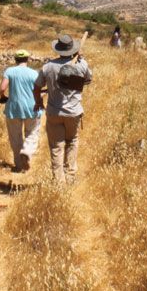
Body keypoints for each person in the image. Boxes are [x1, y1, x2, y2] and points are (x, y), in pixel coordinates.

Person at [34, 34, 93, 184]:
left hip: (54, 112)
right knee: (72, 141)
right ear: (73, 49)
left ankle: (58, 181)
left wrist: (38, 102)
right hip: (73, 112)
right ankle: (70, 177)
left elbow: (37, 87)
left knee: (56, 147)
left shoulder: (48, 67)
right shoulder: (81, 64)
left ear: (58, 49)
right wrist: (80, 60)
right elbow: (88, 80)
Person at [0, 49, 42, 173]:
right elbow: (39, 91)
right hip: (32, 108)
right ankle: (26, 152)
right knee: (32, 133)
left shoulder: (10, 71)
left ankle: (19, 165)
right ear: (27, 59)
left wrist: (2, 97)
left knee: (15, 137)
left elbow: (2, 88)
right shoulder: (34, 73)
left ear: (15, 59)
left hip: (14, 109)